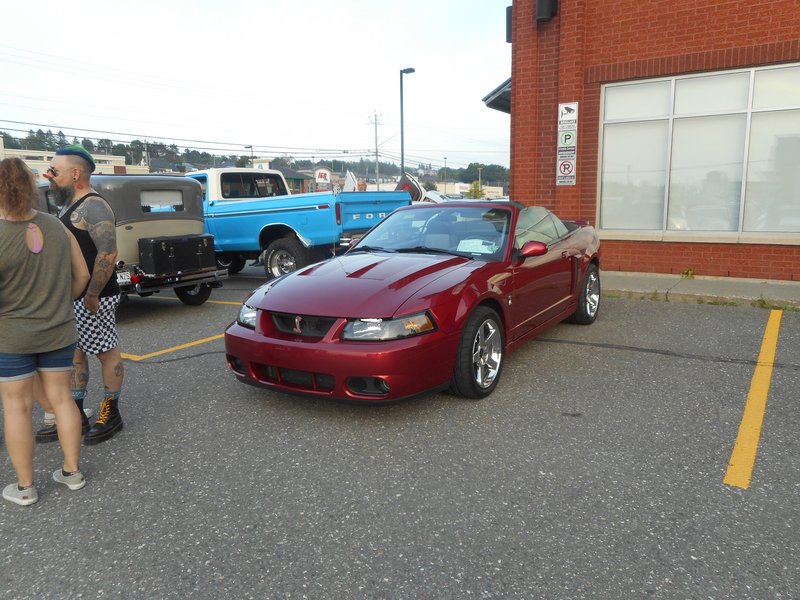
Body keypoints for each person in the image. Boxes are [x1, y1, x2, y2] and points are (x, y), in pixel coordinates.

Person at [0, 157, 90, 506]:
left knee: (17, 409)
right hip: (59, 331)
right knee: (62, 399)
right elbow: (81, 275)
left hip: (12, 337)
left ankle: (25, 487)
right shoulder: (56, 225)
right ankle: (72, 473)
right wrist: (58, 303)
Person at [36, 144, 125, 446]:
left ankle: (110, 414)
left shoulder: (94, 206)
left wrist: (92, 294)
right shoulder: (68, 203)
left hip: (95, 295)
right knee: (76, 355)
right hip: (73, 294)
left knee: (105, 351)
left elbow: (108, 252)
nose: (49, 175)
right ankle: (75, 414)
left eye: (55, 171)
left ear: (75, 174)